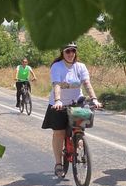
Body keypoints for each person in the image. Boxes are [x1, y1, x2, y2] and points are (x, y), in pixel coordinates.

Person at [41, 43, 102, 178]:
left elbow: (87, 83)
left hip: (76, 103)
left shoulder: (80, 67)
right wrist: (57, 101)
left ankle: (78, 143)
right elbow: (56, 84)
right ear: (62, 52)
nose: (70, 54)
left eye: (73, 51)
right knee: (59, 133)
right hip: (59, 104)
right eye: (67, 51)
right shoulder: (57, 66)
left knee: (79, 129)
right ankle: (58, 163)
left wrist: (94, 99)